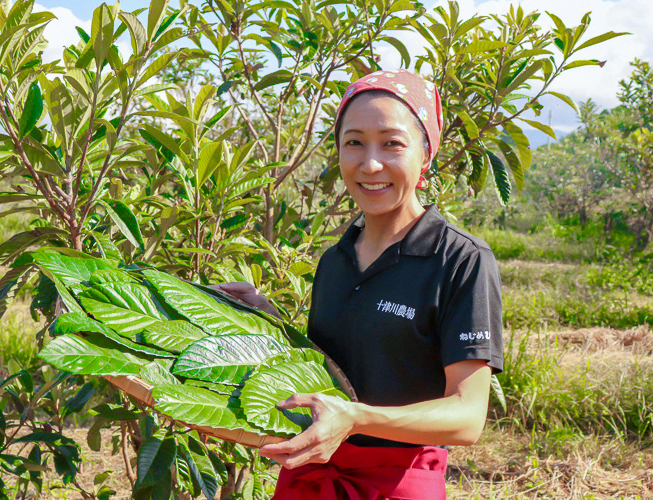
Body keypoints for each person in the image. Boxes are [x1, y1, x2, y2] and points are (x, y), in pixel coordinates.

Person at [214, 69, 503, 500]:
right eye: (354, 142)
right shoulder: (336, 259)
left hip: (397, 484)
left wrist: (355, 418)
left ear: (425, 155)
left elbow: (466, 417)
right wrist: (268, 319)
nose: (370, 164)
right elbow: (333, 370)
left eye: (392, 143)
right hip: (312, 478)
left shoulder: (461, 260)